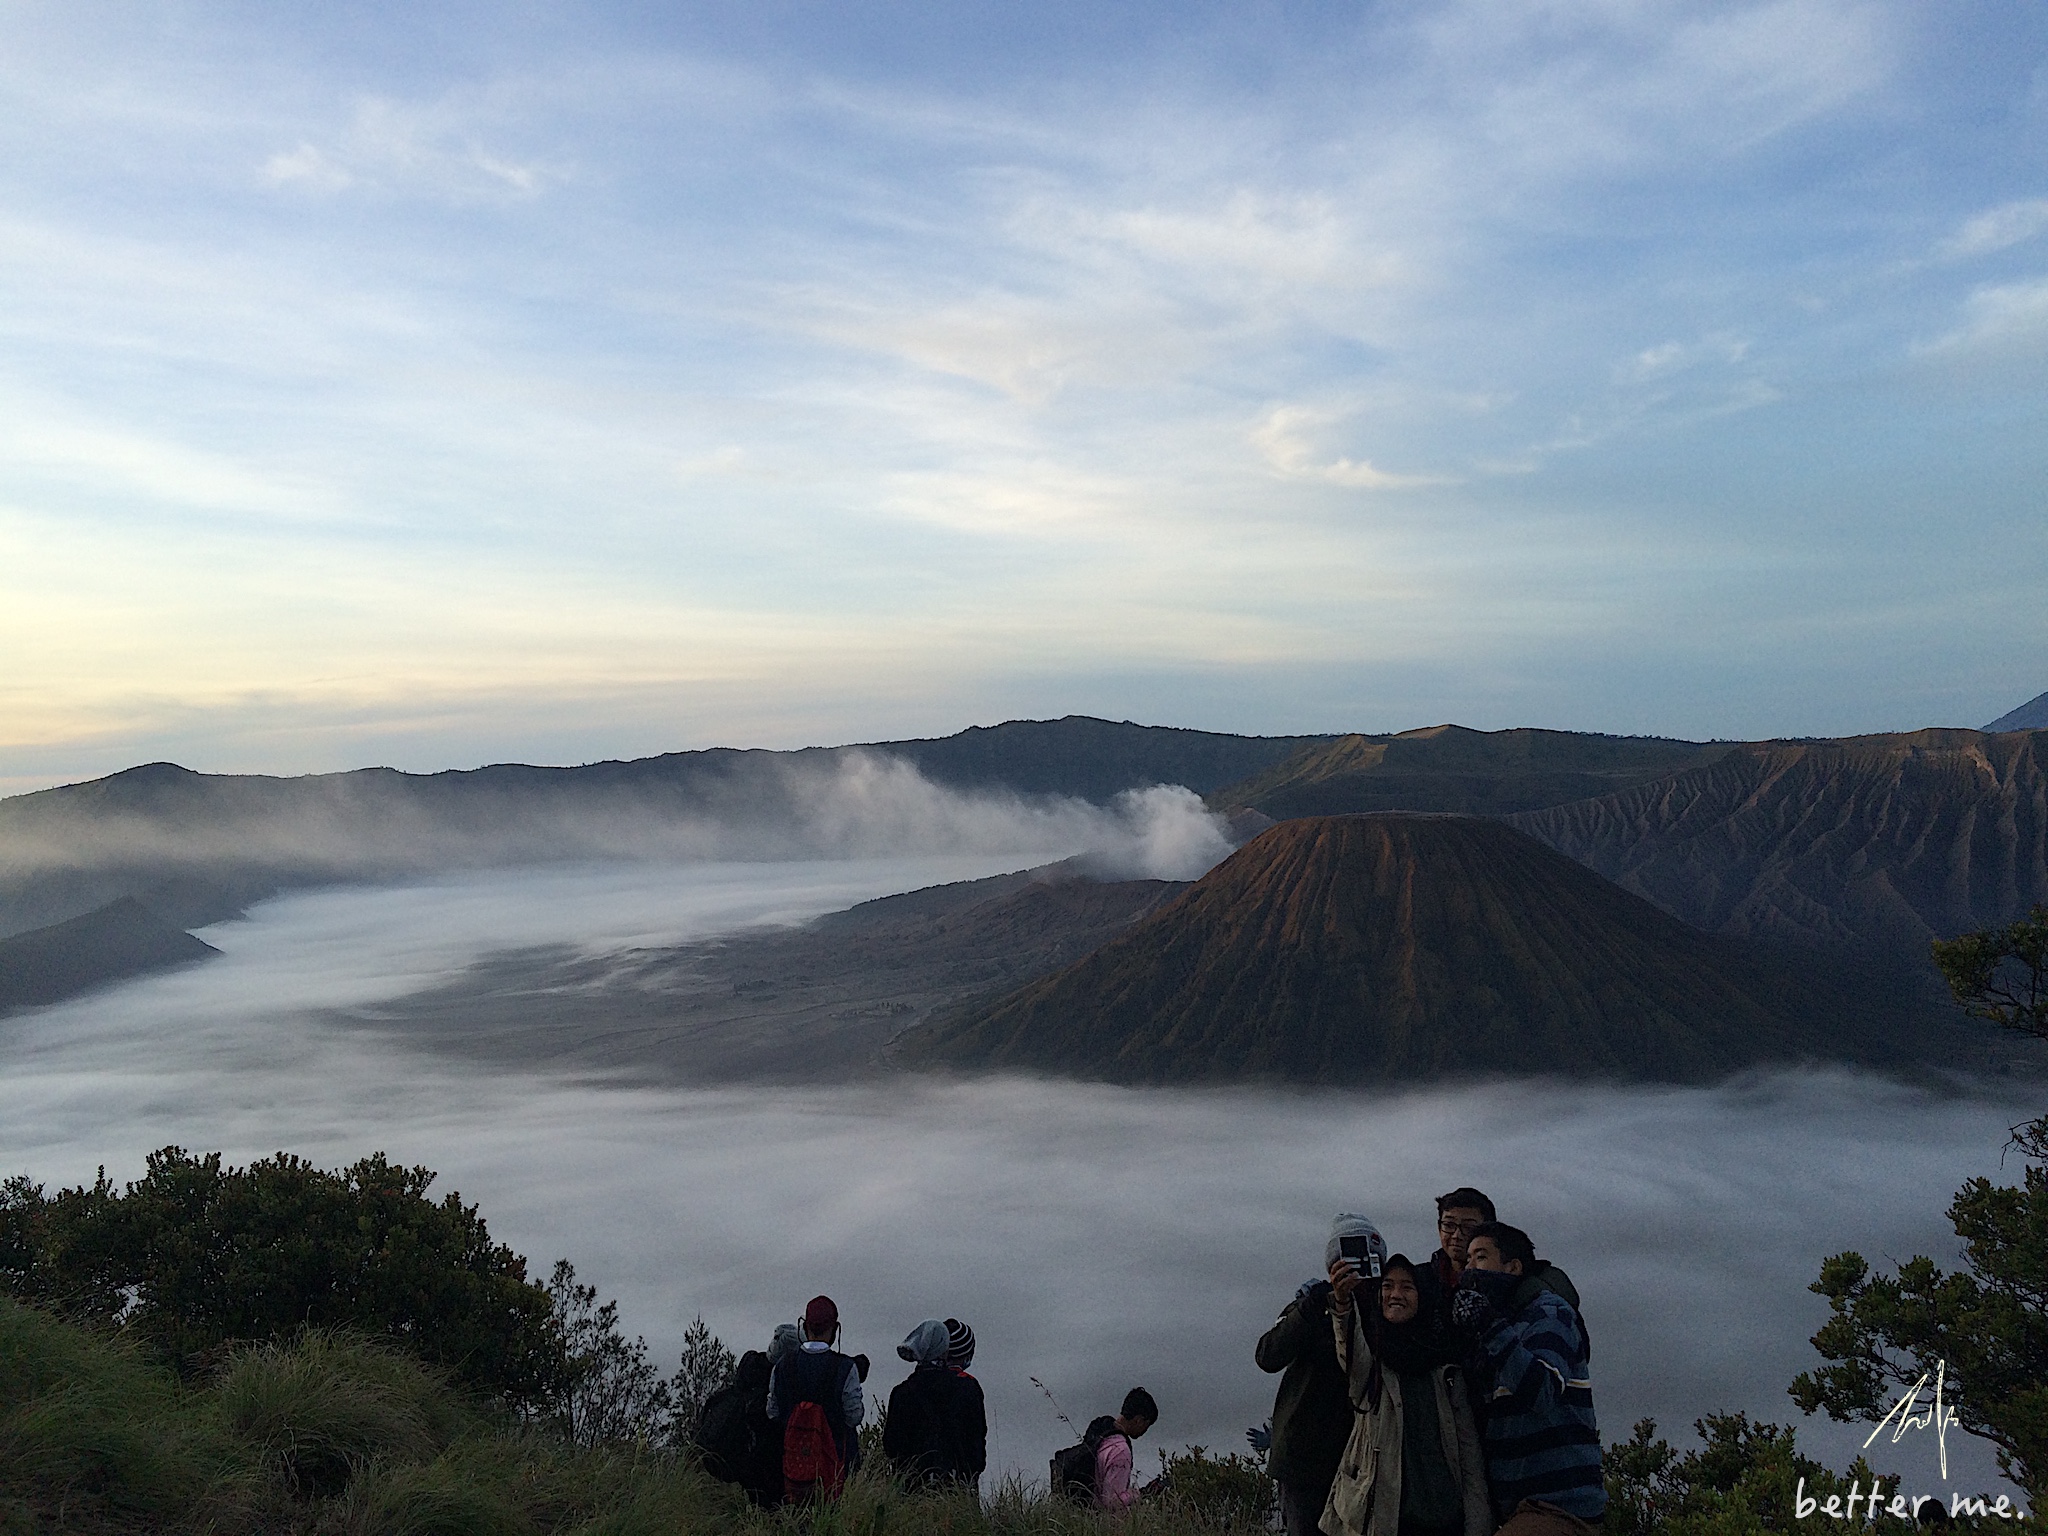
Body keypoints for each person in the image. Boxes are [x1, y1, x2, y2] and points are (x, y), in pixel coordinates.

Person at [1323, 1233, 1491, 1536]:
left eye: (1407, 1287)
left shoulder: (1446, 1369)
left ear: (1423, 1296)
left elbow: (1469, 1457)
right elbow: (1348, 1350)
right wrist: (1342, 1301)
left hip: (1444, 1520)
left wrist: (1478, 1525)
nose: (1395, 1294)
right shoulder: (1372, 1362)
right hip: (1383, 1520)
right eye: (1387, 1286)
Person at [1452, 1222, 1604, 1536]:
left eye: (1481, 1257)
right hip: (1518, 1509)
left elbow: (1542, 1392)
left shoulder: (1548, 1313)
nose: (1471, 1268)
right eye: (1467, 1260)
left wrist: (1489, 1326)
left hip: (1558, 1506)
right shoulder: (1502, 1326)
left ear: (1513, 1267)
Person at [1257, 1219, 1359, 1535]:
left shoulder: (1382, 1305)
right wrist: (1308, 1308)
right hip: (1303, 1461)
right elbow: (1267, 1355)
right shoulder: (1310, 1305)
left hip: (1358, 1457)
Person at [767, 1295, 864, 1502]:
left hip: (791, 1472)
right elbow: (854, 1417)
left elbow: (772, 1412)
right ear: (835, 1329)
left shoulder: (782, 1366)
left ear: (804, 1326)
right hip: (836, 1469)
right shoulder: (846, 1368)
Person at [883, 1319, 987, 1491]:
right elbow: (976, 1443)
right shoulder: (967, 1388)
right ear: (945, 1349)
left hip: (911, 1490)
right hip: (958, 1487)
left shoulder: (901, 1392)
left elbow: (892, 1447)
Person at [1094, 1387, 1159, 1511]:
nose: (1145, 1431)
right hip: (1101, 1522)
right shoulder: (1120, 1450)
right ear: (1139, 1420)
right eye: (1147, 1425)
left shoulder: (1100, 1433)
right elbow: (1111, 1502)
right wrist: (1141, 1493)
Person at [1426, 1188, 1496, 1301]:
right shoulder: (1420, 1280)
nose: (1456, 1235)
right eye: (1449, 1225)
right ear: (1439, 1228)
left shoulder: (1503, 1286)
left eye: (1468, 1228)